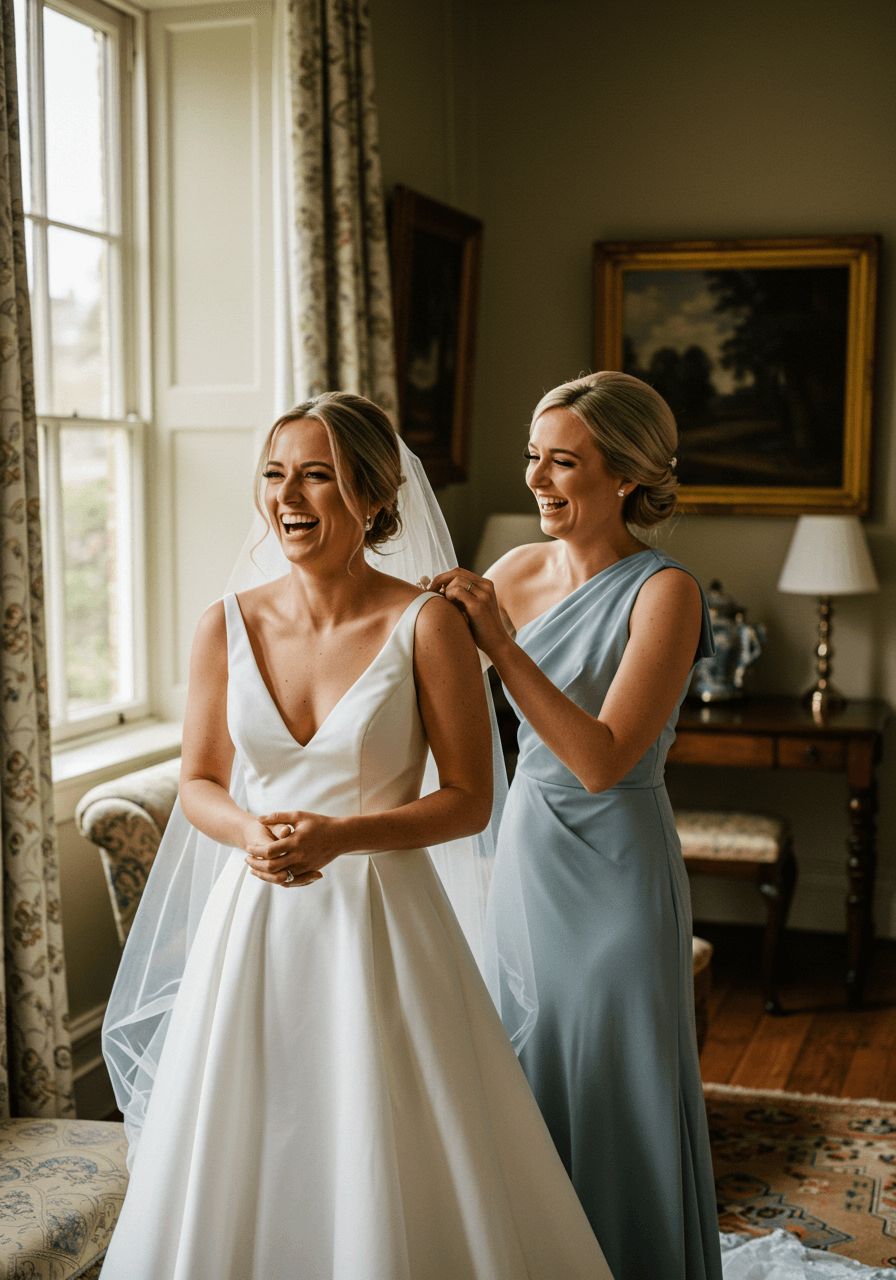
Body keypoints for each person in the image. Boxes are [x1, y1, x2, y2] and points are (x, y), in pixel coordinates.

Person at [100, 392, 612, 1280]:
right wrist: (251, 832)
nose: (288, 498)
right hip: (252, 927)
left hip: (384, 928)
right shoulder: (223, 625)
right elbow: (199, 782)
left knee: (390, 1150)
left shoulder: (427, 624)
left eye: (317, 477)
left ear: (373, 498)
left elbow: (466, 800)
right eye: (274, 475)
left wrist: (342, 837)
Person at [430, 371, 724, 1280]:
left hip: (616, 878)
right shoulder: (514, 571)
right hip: (527, 857)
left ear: (627, 475)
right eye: (532, 457)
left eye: (563, 462)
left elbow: (603, 759)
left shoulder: (664, 592)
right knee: (528, 1077)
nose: (536, 480)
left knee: (614, 1090)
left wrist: (503, 646)